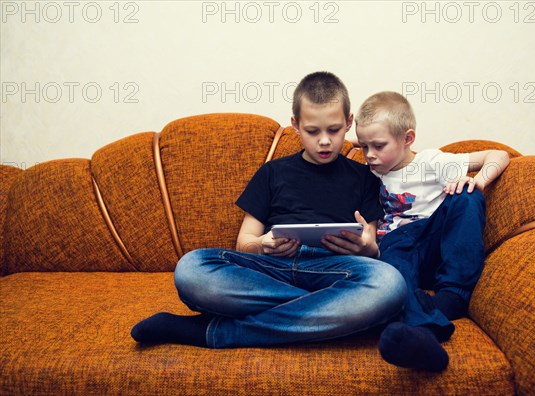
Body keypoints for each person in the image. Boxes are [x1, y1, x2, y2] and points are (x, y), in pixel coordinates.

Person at [131, 72, 406, 349]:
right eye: (313, 131)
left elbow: (371, 244)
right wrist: (263, 245)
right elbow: (244, 243)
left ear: (348, 123)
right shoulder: (272, 173)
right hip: (271, 269)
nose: (324, 141)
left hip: (336, 269)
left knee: (389, 282)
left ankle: (216, 332)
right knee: (191, 268)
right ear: (296, 125)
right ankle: (339, 312)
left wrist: (365, 248)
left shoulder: (366, 177)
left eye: (333, 130)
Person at [353, 91, 510, 371]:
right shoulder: (370, 171)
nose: (370, 155)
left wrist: (478, 182)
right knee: (390, 262)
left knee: (467, 196)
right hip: (396, 249)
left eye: (378, 146)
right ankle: (426, 333)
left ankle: (454, 295)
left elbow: (498, 155)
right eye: (364, 147)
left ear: (408, 139)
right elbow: (338, 140)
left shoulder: (430, 162)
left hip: (433, 240)